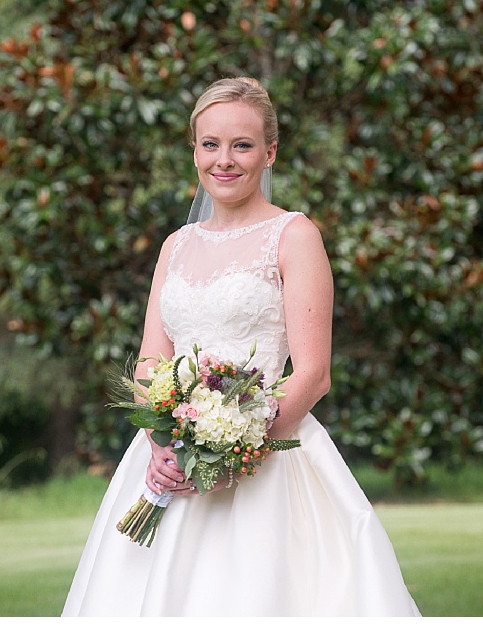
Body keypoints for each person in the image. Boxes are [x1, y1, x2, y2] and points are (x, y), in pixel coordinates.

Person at [63, 77, 420, 615]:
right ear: (195, 152)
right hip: (166, 465)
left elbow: (313, 373)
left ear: (269, 152)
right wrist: (161, 443)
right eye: (210, 145)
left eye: (242, 145)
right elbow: (150, 361)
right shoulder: (176, 246)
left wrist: (237, 452)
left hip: (264, 463)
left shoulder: (294, 236)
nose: (224, 161)